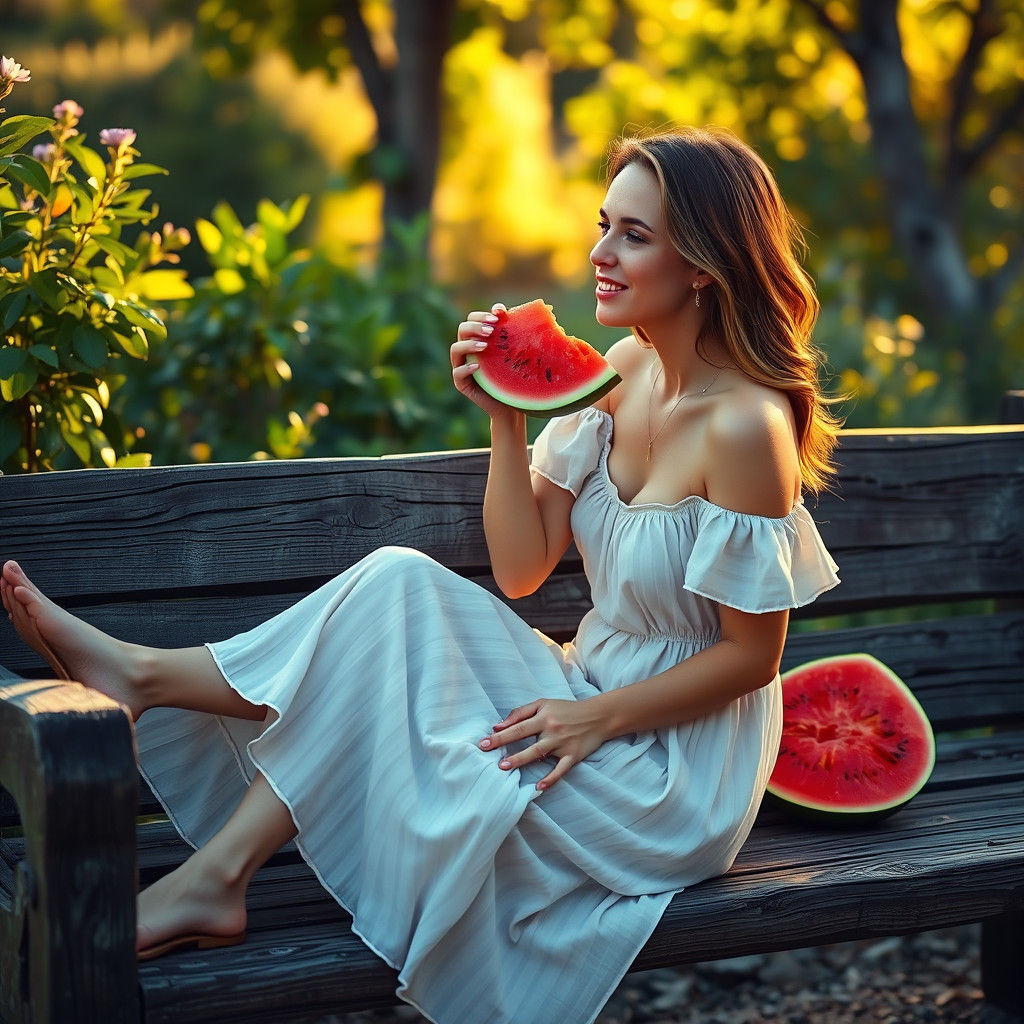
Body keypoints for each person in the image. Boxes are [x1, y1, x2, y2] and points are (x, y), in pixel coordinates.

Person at [0, 126, 841, 1024]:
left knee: (393, 675)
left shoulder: (745, 427)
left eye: (634, 236)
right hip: (585, 689)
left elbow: (753, 657)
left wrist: (592, 718)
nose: (600, 253)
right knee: (401, 579)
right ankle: (189, 804)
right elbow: (523, 571)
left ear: (705, 265)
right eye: (604, 224)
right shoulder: (622, 372)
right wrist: (506, 413)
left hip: (673, 767)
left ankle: (163, 726)